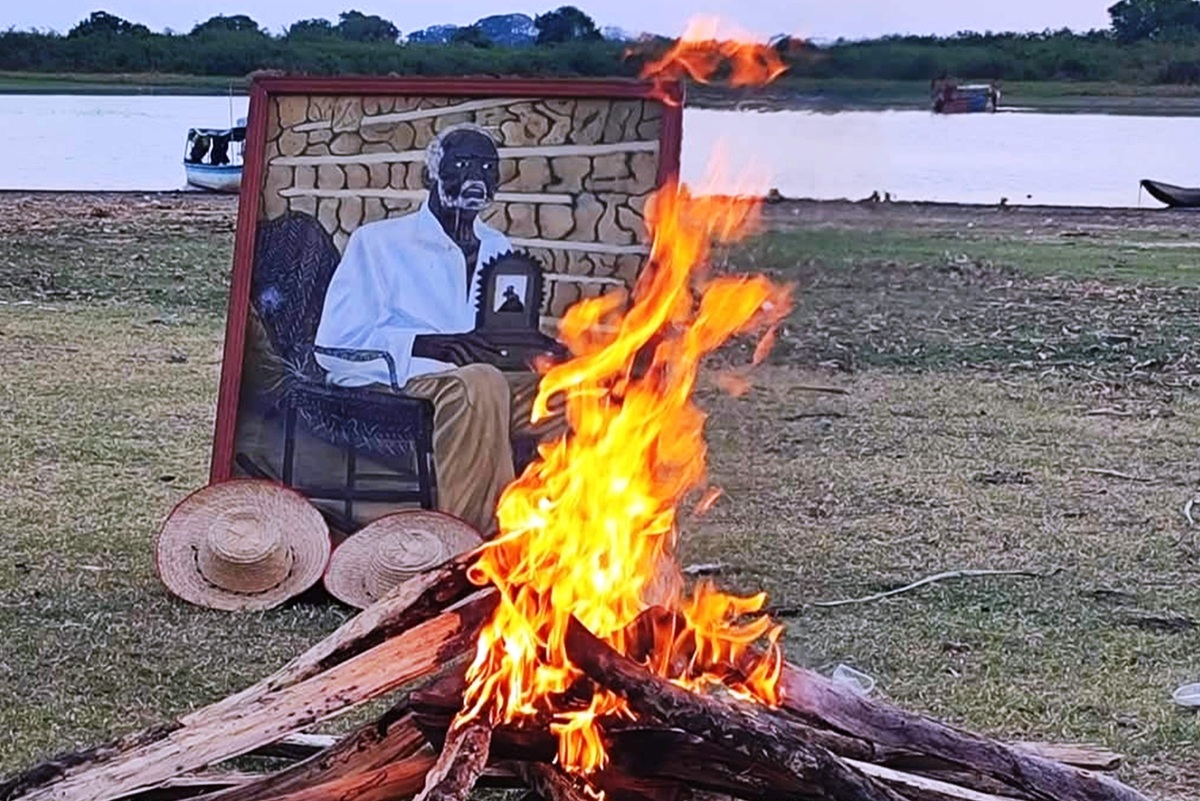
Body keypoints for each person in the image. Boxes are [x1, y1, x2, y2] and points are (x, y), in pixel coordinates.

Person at [314, 124, 562, 535]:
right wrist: (434, 347)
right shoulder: (377, 243)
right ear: (431, 173)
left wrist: (539, 351)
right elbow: (336, 345)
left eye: (487, 168)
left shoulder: (497, 245)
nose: (475, 177)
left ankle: (550, 536)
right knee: (479, 384)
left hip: (480, 384)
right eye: (462, 164)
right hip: (389, 384)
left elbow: (495, 334)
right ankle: (470, 543)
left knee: (569, 393)